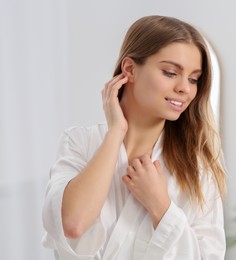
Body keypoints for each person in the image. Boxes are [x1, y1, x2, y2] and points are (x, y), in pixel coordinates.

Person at [42, 15, 226, 260]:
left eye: (193, 79)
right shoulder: (79, 143)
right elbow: (72, 223)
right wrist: (116, 131)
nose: (185, 88)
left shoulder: (197, 166)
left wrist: (161, 205)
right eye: (171, 72)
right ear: (129, 69)